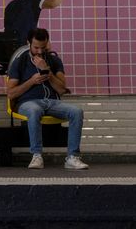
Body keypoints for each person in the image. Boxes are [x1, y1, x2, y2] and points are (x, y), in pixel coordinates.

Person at [6, 28, 88, 170]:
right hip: (28, 102)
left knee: (77, 111)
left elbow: (62, 89)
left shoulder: (54, 61)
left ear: (47, 44)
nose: (39, 51)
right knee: (35, 110)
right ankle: (36, 156)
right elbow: (11, 94)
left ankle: (72, 157)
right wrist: (31, 81)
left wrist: (47, 72)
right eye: (36, 47)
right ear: (28, 44)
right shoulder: (19, 62)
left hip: (52, 102)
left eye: (42, 48)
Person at [4, 0, 80, 47]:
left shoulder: (10, 5)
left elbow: (18, 24)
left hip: (7, 47)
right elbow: (53, 3)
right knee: (47, 44)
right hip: (23, 45)